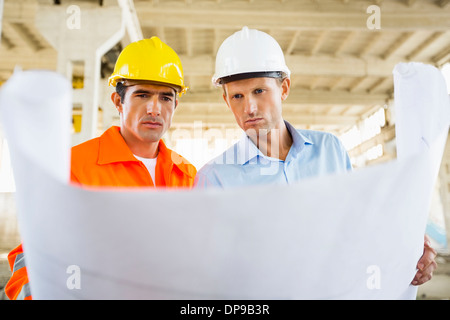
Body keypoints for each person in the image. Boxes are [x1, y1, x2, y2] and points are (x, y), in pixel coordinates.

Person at [194, 27, 436, 286]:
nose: (249, 108)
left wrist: (406, 243)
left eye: (259, 91)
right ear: (225, 99)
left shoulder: (329, 150)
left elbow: (356, 223)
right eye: (237, 96)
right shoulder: (215, 178)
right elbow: (209, 273)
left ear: (284, 87)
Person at [5, 37, 197, 300]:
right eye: (142, 95)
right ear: (118, 102)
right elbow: (31, 259)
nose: (155, 108)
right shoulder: (74, 166)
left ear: (175, 105)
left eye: (166, 97)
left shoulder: (187, 175)